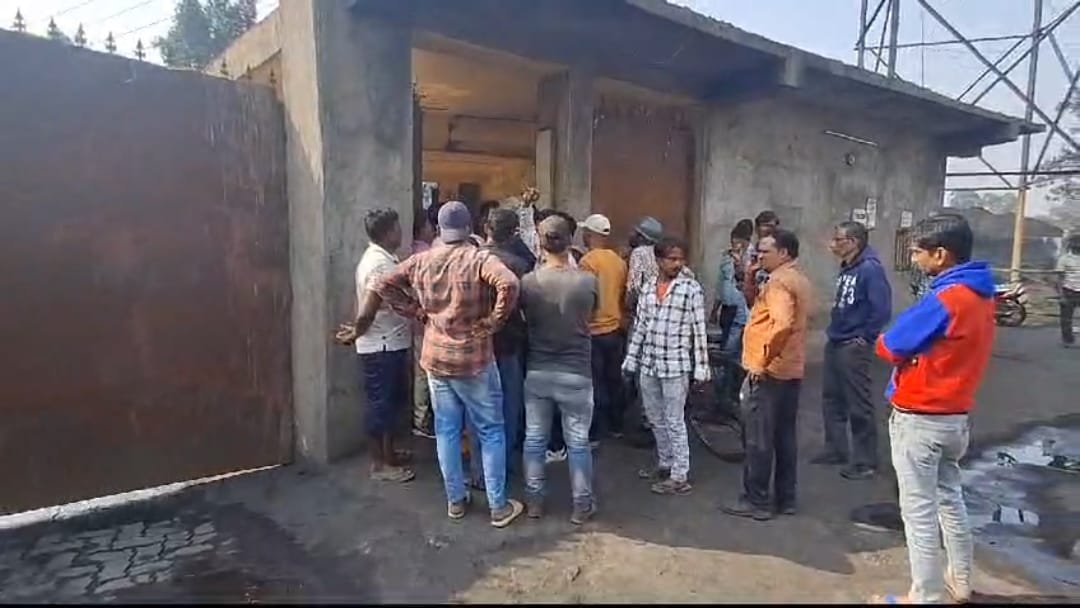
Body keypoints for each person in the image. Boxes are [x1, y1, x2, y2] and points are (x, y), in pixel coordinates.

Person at [338, 201, 525, 528]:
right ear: (469, 228)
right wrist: (494, 321)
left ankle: (456, 501)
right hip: (474, 359)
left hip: (436, 358)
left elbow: (381, 285)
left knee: (446, 431)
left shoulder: (421, 260)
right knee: (491, 430)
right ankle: (498, 506)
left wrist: (416, 311)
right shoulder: (479, 259)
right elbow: (508, 284)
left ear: (440, 229)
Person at [871, 213, 995, 604]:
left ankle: (924, 596)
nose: (914, 259)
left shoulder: (947, 298)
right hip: (955, 416)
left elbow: (890, 344)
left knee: (919, 512)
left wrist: (904, 349)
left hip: (920, 416)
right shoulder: (982, 293)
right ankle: (960, 580)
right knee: (949, 498)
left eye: (917, 252)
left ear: (940, 254)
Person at [722, 229, 811, 521]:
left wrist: (762, 360)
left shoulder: (779, 283)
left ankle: (756, 500)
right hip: (790, 369)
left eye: (765, 252)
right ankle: (786, 499)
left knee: (758, 437)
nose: (759, 256)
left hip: (770, 371)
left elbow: (782, 324)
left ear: (783, 253)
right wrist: (750, 277)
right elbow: (757, 308)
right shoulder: (796, 278)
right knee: (784, 435)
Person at [520, 215, 599, 524]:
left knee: (534, 440)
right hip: (576, 371)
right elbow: (592, 316)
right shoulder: (587, 281)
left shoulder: (528, 282)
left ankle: (534, 502)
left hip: (538, 370)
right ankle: (581, 505)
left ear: (540, 244)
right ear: (570, 241)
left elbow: (525, 319)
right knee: (578, 442)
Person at [622, 237, 710, 495]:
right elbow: (640, 327)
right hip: (649, 363)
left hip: (676, 365)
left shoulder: (690, 289)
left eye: (680, 259)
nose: (677, 264)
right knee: (654, 417)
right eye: (672, 259)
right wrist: (631, 359)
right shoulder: (648, 288)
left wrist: (702, 367)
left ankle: (680, 474)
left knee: (674, 420)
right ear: (659, 260)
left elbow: (699, 330)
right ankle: (665, 463)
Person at [338, 208, 416, 483]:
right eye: (397, 228)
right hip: (382, 345)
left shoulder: (381, 258)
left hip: (389, 341)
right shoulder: (379, 264)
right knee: (380, 405)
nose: (400, 232)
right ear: (387, 232)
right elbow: (369, 305)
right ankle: (379, 464)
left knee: (391, 403)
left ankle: (389, 454)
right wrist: (357, 331)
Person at [815, 221, 892, 481]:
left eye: (839, 240)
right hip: (837, 339)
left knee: (858, 402)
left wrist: (865, 336)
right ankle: (835, 448)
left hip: (853, 344)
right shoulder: (848, 267)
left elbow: (881, 308)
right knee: (832, 397)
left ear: (853, 242)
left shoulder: (870, 269)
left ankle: (865, 460)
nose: (833, 244)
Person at [466, 208, 533, 489]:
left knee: (477, 410)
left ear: (486, 228)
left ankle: (478, 470)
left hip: (475, 344)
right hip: (507, 343)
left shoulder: (469, 260)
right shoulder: (518, 265)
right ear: (514, 233)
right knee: (508, 408)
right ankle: (500, 468)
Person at [579, 214, 629, 440]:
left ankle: (596, 430)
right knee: (614, 378)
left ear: (590, 235)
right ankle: (617, 425)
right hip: (615, 328)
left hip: (594, 330)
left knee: (595, 381)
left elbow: (586, 297)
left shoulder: (587, 262)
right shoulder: (618, 261)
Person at [709, 221, 753, 416]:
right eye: (733, 240)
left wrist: (740, 263)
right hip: (727, 309)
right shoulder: (726, 257)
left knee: (732, 354)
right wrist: (715, 309)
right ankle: (722, 396)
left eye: (740, 241)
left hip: (741, 312)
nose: (736, 244)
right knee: (725, 352)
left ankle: (731, 396)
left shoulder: (752, 257)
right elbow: (721, 284)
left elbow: (747, 282)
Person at [410, 210, 437, 438]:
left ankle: (421, 419)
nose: (432, 229)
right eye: (429, 225)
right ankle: (423, 420)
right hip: (427, 321)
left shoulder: (410, 252)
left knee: (420, 371)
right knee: (425, 373)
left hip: (416, 320)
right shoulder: (426, 254)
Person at [743, 210, 780, 307]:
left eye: (772, 227)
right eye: (765, 226)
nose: (769, 230)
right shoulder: (750, 251)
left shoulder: (780, 252)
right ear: (757, 229)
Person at [1055, 235, 1080, 348]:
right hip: (1069, 291)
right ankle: (1068, 340)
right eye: (1076, 245)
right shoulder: (1064, 259)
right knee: (1066, 319)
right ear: (1071, 246)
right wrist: (1061, 295)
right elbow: (1059, 278)